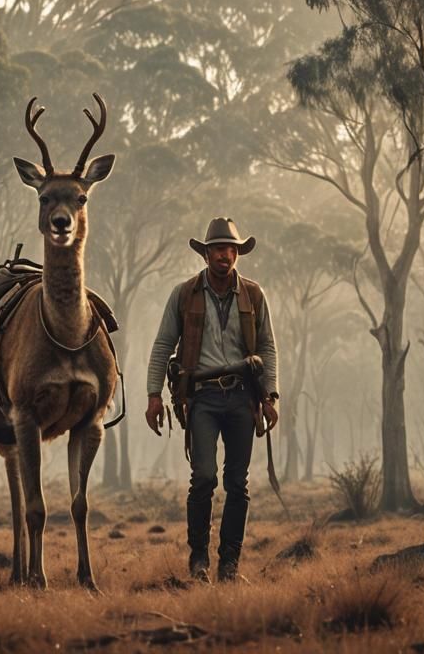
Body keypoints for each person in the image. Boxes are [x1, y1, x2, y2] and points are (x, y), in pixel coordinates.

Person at [145, 217, 279, 583]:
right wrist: (153, 395)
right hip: (202, 396)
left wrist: (270, 395)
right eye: (218, 248)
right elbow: (162, 345)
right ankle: (199, 558)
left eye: (231, 249)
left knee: (238, 482)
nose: (226, 254)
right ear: (206, 254)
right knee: (203, 476)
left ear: (238, 253)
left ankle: (230, 564)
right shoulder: (184, 294)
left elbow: (267, 346)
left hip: (242, 396)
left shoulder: (254, 294)